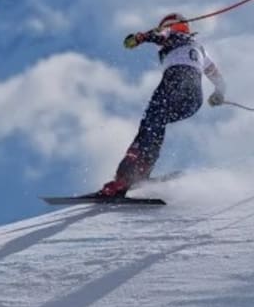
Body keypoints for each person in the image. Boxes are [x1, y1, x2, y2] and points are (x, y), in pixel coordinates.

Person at [97, 12, 227, 197]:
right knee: (157, 122)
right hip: (193, 98)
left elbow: (156, 36)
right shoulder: (200, 48)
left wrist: (139, 38)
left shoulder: (172, 35)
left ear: (170, 26)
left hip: (175, 83)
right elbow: (215, 74)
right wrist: (219, 93)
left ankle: (125, 177)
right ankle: (141, 171)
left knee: (150, 122)